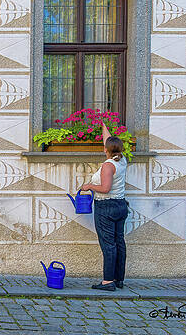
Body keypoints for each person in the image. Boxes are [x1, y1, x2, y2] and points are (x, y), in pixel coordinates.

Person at [80, 121, 129, 291]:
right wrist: (102, 124)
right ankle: (118, 279)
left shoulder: (108, 165)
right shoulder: (122, 160)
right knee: (118, 242)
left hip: (106, 207)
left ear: (106, 150)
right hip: (121, 206)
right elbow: (108, 140)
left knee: (108, 244)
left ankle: (108, 282)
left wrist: (89, 186)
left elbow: (105, 189)